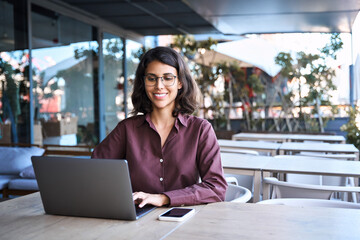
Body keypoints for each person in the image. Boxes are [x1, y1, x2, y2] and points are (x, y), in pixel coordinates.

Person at [91, 46, 227, 207]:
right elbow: (94, 172)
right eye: (151, 78)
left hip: (183, 218)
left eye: (168, 78)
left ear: (180, 82)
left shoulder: (200, 130)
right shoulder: (127, 129)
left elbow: (216, 188)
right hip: (136, 220)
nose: (159, 86)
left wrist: (164, 198)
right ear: (144, 82)